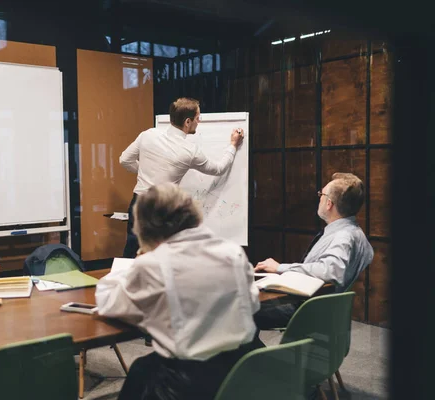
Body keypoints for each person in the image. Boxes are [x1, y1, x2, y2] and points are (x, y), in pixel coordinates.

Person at [95, 183, 261, 400]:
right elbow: (253, 303)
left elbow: (110, 303)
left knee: (141, 370)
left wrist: (138, 260)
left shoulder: (153, 264)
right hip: (244, 367)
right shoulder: (232, 252)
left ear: (144, 227)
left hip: (187, 382)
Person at [119, 97, 245, 258]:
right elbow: (219, 168)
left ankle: (126, 281)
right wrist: (233, 145)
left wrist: (143, 172)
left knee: (132, 249)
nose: (198, 122)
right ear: (187, 122)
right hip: (164, 207)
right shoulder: (190, 151)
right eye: (197, 118)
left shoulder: (147, 135)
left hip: (139, 201)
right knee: (162, 254)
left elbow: (124, 160)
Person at [254, 172, 374, 330]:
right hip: (321, 308)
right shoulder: (355, 232)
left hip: (307, 309)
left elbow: (332, 271)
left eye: (321, 194)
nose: (319, 198)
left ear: (329, 203)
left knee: (239, 312)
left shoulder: (343, 237)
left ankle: (252, 355)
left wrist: (280, 268)